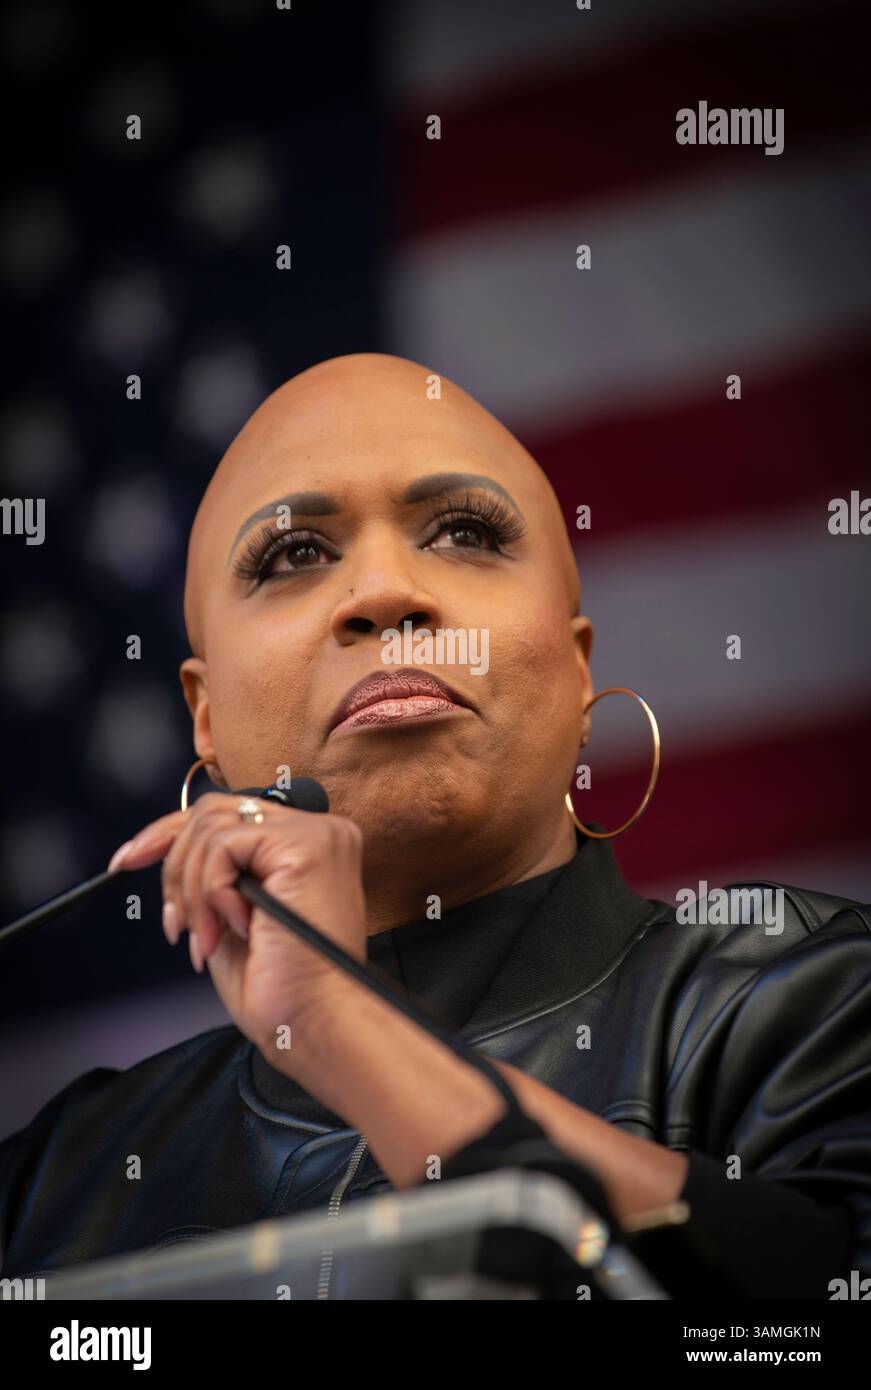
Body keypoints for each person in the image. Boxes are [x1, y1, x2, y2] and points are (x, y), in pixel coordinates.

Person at [1, 354, 868, 1299]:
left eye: (463, 532)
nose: (383, 593)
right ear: (205, 719)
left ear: (579, 673)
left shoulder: (816, 997)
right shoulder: (47, 1182)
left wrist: (345, 1029)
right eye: (293, 553)